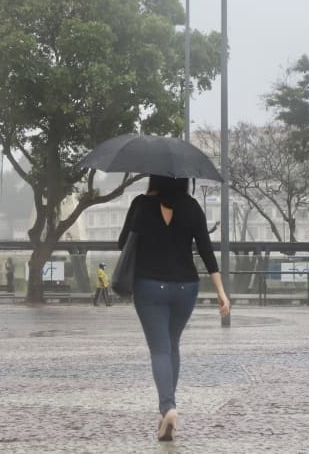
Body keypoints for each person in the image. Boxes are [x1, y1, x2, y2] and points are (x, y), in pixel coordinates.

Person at [118, 175, 230, 442]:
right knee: (172, 344)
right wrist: (221, 292)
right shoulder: (192, 207)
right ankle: (166, 412)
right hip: (186, 288)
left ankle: (168, 408)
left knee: (160, 349)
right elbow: (206, 251)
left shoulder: (141, 204)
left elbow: (123, 243)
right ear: (185, 181)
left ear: (154, 177)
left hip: (149, 286)